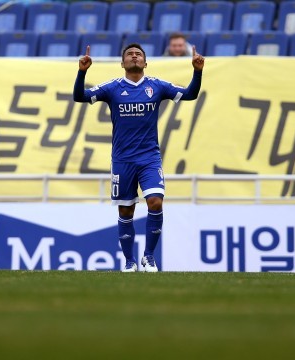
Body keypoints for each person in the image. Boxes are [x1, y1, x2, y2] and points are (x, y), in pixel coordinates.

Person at [73, 43, 205, 272]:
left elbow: (191, 94)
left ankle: (149, 257)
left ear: (145, 62)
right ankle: (129, 262)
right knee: (126, 211)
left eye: (139, 54)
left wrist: (197, 71)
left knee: (155, 202)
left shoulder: (157, 86)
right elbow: (79, 97)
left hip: (149, 158)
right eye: (129, 55)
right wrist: (82, 72)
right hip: (122, 160)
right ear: (122, 63)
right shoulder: (112, 88)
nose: (134, 57)